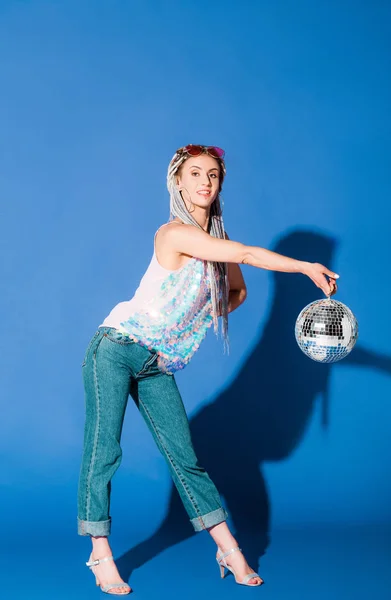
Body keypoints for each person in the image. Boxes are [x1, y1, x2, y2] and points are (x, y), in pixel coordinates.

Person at [77, 143, 339, 594]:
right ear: (178, 181)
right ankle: (100, 552)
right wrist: (303, 267)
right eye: (195, 173)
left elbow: (236, 292)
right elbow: (247, 256)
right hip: (115, 347)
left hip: (156, 361)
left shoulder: (215, 245)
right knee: (104, 452)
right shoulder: (173, 233)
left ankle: (228, 548)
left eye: (213, 175)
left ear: (219, 186)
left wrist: (190, 316)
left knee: (187, 459)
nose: (204, 182)